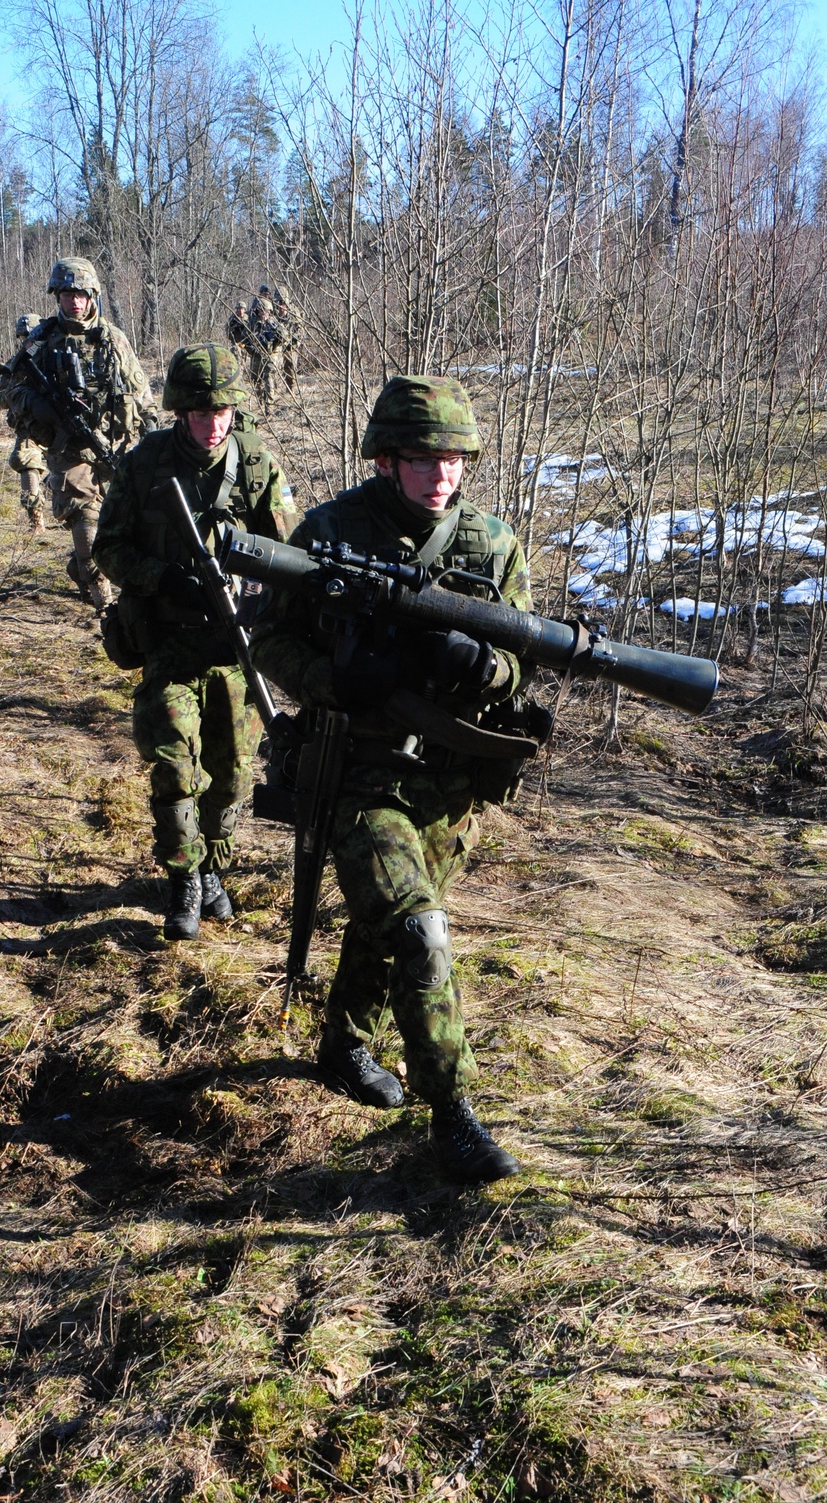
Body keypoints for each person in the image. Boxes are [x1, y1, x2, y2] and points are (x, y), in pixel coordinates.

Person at [250, 374, 534, 1184]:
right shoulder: (331, 530)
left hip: (450, 780)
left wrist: (485, 666)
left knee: (389, 926)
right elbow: (269, 638)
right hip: (357, 770)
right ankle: (453, 1113)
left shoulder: (491, 546)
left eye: (454, 459)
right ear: (385, 458)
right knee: (417, 927)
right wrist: (336, 677)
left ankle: (343, 1043)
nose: (441, 474)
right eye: (422, 458)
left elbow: (526, 660)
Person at [92, 344, 298, 941]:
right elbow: (109, 546)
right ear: (180, 412)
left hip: (237, 650)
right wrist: (163, 579)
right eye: (202, 412)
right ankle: (182, 877)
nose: (214, 424)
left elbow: (293, 556)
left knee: (232, 775)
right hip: (170, 646)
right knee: (176, 769)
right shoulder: (145, 465)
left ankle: (214, 868)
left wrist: (260, 601)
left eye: (224, 412)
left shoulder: (257, 466)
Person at [2, 257, 157, 613]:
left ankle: (82, 567)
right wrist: (37, 405)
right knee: (84, 515)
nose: (75, 301)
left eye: (82, 294)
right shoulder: (41, 340)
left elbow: (140, 390)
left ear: (93, 296)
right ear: (57, 296)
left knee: (123, 524)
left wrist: (151, 430)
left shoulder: (113, 338)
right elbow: (10, 389)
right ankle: (106, 604)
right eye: (68, 293)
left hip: (116, 444)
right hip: (69, 447)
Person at [0, 314, 49, 533]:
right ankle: (36, 520)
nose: (27, 341)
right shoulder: (15, 363)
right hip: (29, 427)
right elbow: (0, 399)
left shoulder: (52, 356)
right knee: (26, 461)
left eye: (31, 336)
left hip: (59, 423)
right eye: (24, 337)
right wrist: (20, 394)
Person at [247, 285, 282, 410]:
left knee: (268, 378)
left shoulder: (273, 323)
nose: (262, 313)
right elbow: (246, 337)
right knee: (255, 379)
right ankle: (260, 401)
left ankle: (269, 406)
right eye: (260, 310)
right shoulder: (252, 322)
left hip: (270, 354)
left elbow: (282, 338)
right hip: (257, 354)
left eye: (265, 310)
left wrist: (274, 336)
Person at [274, 295, 300, 393]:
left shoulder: (293, 317)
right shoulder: (276, 316)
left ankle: (290, 388)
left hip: (290, 346)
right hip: (278, 345)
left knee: (290, 367)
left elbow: (299, 330)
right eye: (279, 304)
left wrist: (294, 340)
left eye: (282, 304)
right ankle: (275, 388)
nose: (280, 307)